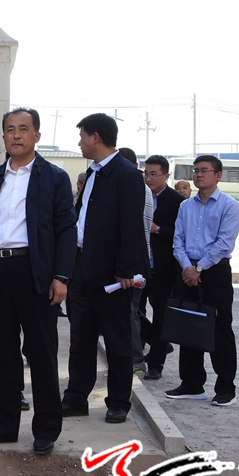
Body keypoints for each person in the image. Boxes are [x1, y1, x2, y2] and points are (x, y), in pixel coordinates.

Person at [0, 109, 76, 455]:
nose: (16, 135)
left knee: (41, 352)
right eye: (10, 130)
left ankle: (45, 429)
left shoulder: (54, 177)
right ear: (3, 137)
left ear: (36, 136)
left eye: (24, 129)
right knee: (0, 353)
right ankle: (4, 425)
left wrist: (61, 276)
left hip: (36, 272)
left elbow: (66, 229)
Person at [61, 114, 149, 425]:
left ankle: (118, 402)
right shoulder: (93, 173)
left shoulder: (126, 174)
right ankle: (76, 398)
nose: (80, 143)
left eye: (82, 136)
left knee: (116, 340)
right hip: (81, 267)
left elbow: (131, 226)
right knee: (81, 338)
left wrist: (125, 270)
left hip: (112, 274)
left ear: (95, 137)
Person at [166, 155, 239, 406]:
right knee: (188, 325)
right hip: (188, 271)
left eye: (204, 171)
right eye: (196, 170)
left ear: (218, 175)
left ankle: (226, 388)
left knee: (220, 328)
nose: (198, 175)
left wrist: (199, 268)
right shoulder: (186, 206)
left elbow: (224, 243)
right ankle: (192, 383)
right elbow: (178, 240)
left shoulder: (229, 205)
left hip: (214, 272)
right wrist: (188, 267)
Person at [141, 155, 185, 381]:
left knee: (161, 316)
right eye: (146, 174)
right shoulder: (137, 195)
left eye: (153, 174)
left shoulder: (177, 202)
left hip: (163, 269)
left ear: (166, 176)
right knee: (132, 312)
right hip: (138, 267)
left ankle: (155, 363)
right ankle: (146, 348)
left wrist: (157, 230)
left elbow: (181, 236)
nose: (148, 179)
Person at [118, 147, 154, 376]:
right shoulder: (140, 187)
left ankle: (136, 360)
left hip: (134, 264)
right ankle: (156, 343)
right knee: (132, 311)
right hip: (136, 262)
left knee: (130, 312)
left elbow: (132, 230)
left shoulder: (136, 187)